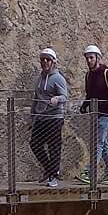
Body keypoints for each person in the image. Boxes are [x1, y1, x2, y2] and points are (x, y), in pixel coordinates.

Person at [77, 44, 108, 184]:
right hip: (95, 113)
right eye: (87, 58)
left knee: (97, 143)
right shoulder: (88, 75)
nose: (89, 60)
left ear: (97, 58)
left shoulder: (107, 73)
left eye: (91, 58)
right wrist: (85, 105)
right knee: (103, 143)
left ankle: (89, 172)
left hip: (107, 113)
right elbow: (90, 93)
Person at [30, 47, 68, 187]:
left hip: (54, 116)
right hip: (41, 117)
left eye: (47, 59)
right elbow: (36, 97)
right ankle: (49, 169)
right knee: (34, 143)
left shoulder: (58, 78)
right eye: (42, 59)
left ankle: (53, 175)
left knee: (54, 146)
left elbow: (65, 96)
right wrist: (32, 116)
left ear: (53, 62)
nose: (44, 62)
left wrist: (57, 98)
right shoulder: (40, 78)